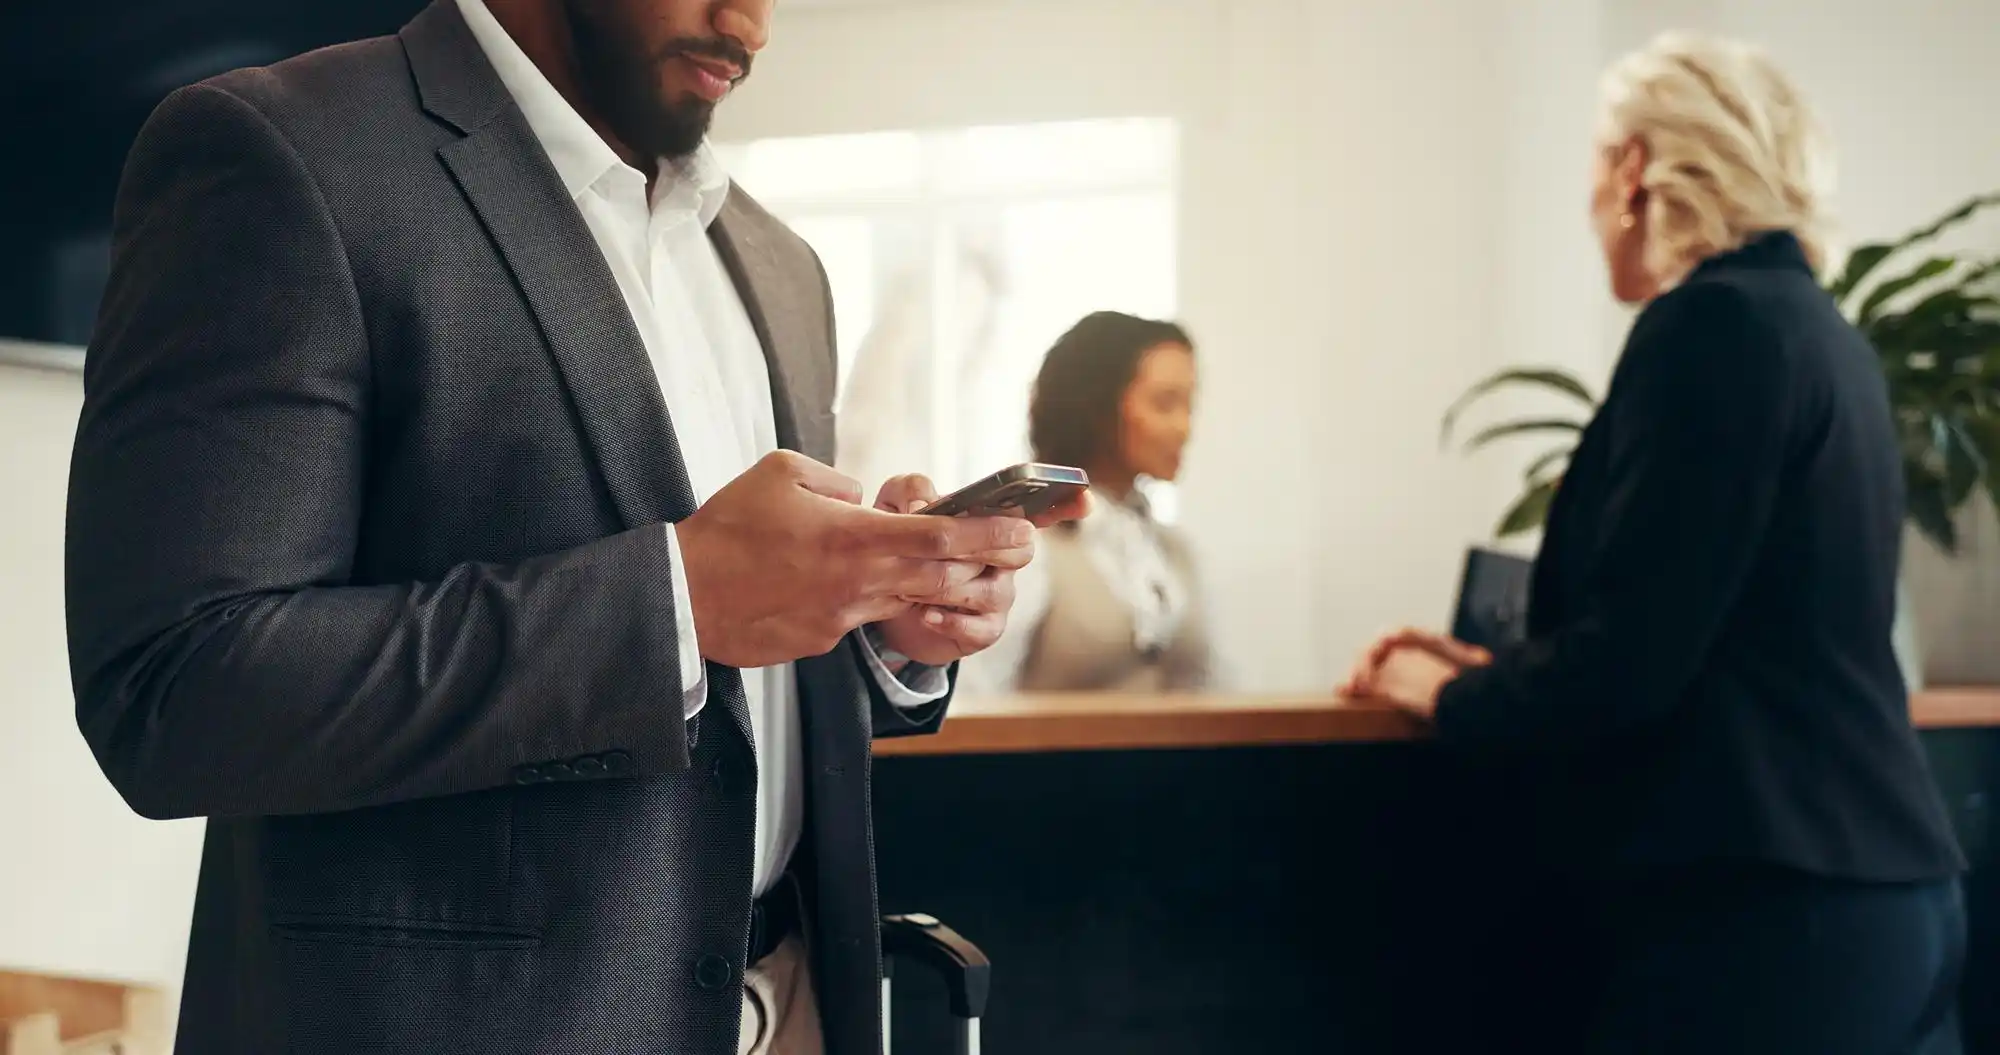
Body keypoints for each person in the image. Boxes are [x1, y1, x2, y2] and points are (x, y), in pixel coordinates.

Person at [62, 2, 1083, 1054]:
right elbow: (176, 690)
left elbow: (742, 692)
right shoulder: (277, 154)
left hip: (798, 1002)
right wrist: (676, 600)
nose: (749, 24)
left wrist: (879, 614)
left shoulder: (777, 263)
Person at [1343, 32, 1968, 1054]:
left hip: (1767, 916)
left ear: (1632, 169)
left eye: (1591, 164)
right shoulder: (1819, 332)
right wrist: (1504, 668)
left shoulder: (1710, 326)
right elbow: (1735, 633)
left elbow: (1627, 665)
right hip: (1880, 901)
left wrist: (1436, 688)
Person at [960, 311, 1214, 693]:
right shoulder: (1031, 549)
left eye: (1189, 405)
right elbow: (974, 699)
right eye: (1165, 404)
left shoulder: (1175, 553)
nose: (1185, 427)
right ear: (1099, 408)